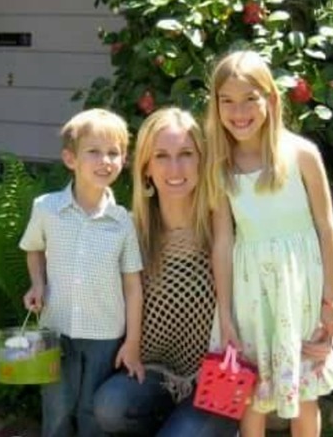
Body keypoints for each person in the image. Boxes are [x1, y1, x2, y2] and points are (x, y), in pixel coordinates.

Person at [204, 50, 333, 437]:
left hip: (299, 287)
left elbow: (326, 227)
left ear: (271, 99)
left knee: (304, 393)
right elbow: (222, 240)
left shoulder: (302, 154)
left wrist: (331, 301)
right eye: (227, 101)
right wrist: (226, 312)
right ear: (216, 107)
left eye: (250, 98)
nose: (239, 111)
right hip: (249, 292)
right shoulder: (219, 167)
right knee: (252, 393)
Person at [93, 107, 239, 437]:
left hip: (219, 376)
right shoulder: (131, 230)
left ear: (202, 162)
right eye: (162, 156)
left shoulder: (224, 227)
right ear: (146, 167)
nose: (175, 168)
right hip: (154, 371)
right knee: (109, 408)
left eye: (186, 154)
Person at [18, 108, 145, 437]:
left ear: (123, 160)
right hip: (56, 330)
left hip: (105, 335)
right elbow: (34, 248)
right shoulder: (46, 208)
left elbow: (133, 285)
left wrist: (131, 342)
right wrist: (37, 283)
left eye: (114, 153)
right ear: (70, 159)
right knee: (57, 410)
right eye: (94, 151)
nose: (105, 160)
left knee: (93, 414)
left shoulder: (123, 222)